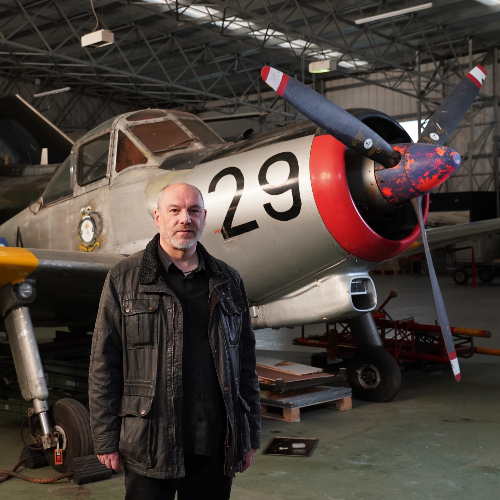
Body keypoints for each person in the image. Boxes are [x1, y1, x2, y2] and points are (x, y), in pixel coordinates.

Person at [89, 182, 261, 500]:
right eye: (175, 210)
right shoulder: (123, 279)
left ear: (204, 218)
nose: (185, 219)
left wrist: (249, 435)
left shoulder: (228, 280)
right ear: (158, 218)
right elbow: (104, 364)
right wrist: (104, 439)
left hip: (214, 443)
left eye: (193, 211)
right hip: (149, 442)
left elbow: (246, 365)